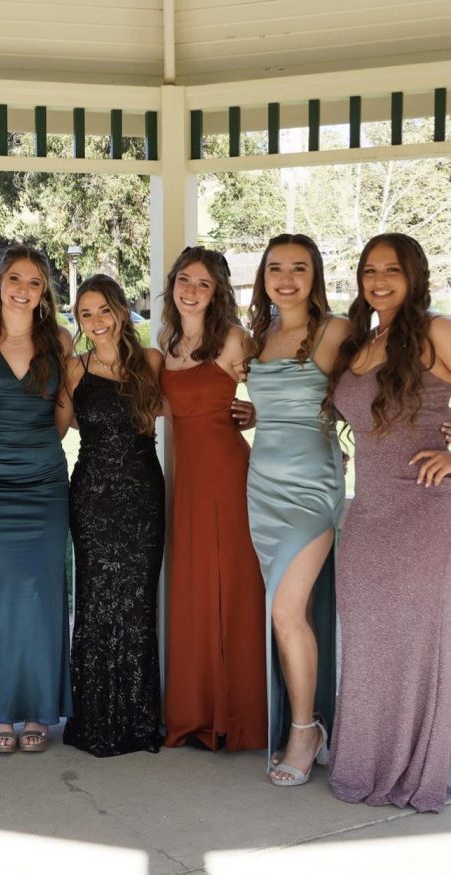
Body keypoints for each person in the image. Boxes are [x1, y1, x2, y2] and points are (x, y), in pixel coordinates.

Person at [325, 233, 451, 812]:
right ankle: (368, 761)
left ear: (414, 275)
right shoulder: (363, 340)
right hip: (369, 512)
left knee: (420, 646)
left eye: (391, 270)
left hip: (426, 510)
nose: (378, 280)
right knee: (371, 643)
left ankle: (421, 766)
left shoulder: (434, 331)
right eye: (369, 269)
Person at [0, 244, 73, 753]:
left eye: (33, 282)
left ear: (43, 291)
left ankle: (39, 712)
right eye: (15, 279)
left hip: (43, 485)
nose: (23, 290)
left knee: (42, 598)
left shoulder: (60, 341)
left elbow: (63, 416)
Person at [245, 233, 349, 786]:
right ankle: (307, 722)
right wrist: (252, 416)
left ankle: (304, 729)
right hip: (262, 488)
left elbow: (389, 381)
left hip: (312, 489)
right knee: (286, 616)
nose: (286, 279)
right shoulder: (260, 335)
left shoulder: (335, 331)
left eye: (299, 268)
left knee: (286, 612)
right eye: (276, 268)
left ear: (316, 275)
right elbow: (277, 406)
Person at [158, 247, 268, 753]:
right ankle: (197, 712)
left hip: (228, 477)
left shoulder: (233, 340)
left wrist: (256, 413)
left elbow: (286, 394)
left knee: (234, 591)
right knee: (195, 591)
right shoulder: (166, 342)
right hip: (186, 486)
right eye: (185, 280)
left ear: (218, 291)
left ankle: (238, 718)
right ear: (173, 284)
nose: (192, 290)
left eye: (203, 283)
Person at [61, 274, 164, 757]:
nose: (96, 321)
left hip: (144, 497)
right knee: (98, 600)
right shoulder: (74, 368)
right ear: (78, 321)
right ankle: (97, 719)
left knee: (138, 603)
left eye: (104, 310)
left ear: (121, 311)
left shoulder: (151, 363)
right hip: (92, 498)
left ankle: (140, 721)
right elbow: (52, 424)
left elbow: (187, 409)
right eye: (86, 313)